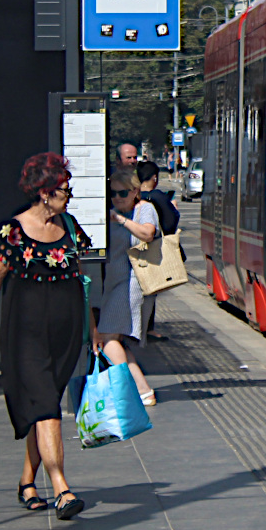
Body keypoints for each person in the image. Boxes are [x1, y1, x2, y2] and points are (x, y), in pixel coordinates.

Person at [0, 153, 89, 520]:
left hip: (64, 334)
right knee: (48, 408)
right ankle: (62, 488)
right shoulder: (13, 232)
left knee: (42, 406)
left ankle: (26, 481)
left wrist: (92, 331)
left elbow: (81, 278)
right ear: (44, 192)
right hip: (25, 335)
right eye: (63, 189)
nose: (69, 196)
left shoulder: (69, 225)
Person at [99, 169, 159, 405]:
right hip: (114, 282)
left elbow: (148, 234)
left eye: (122, 193)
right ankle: (143, 391)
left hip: (134, 282)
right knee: (116, 340)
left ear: (135, 191)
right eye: (112, 193)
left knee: (106, 337)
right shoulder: (112, 212)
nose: (117, 198)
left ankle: (131, 388)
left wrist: (121, 220)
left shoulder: (144, 209)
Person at [135, 160, 180, 341]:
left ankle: (140, 327)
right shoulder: (158, 197)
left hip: (132, 248)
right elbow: (170, 221)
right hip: (152, 249)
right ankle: (147, 329)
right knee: (151, 288)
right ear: (154, 178)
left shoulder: (132, 195)